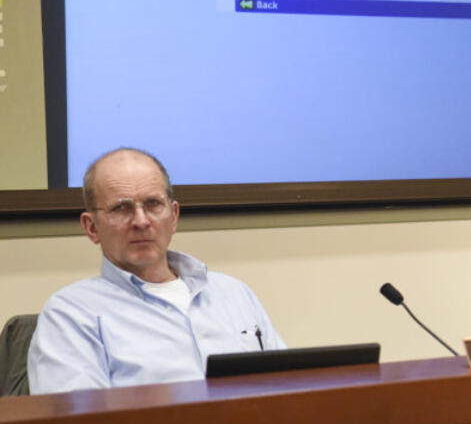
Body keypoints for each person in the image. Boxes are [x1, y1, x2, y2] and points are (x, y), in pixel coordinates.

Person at [27, 147, 285, 393]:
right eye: (121, 208)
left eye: (153, 204)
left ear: (173, 216)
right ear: (91, 227)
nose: (141, 221)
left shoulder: (234, 294)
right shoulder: (71, 314)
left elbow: (289, 387)